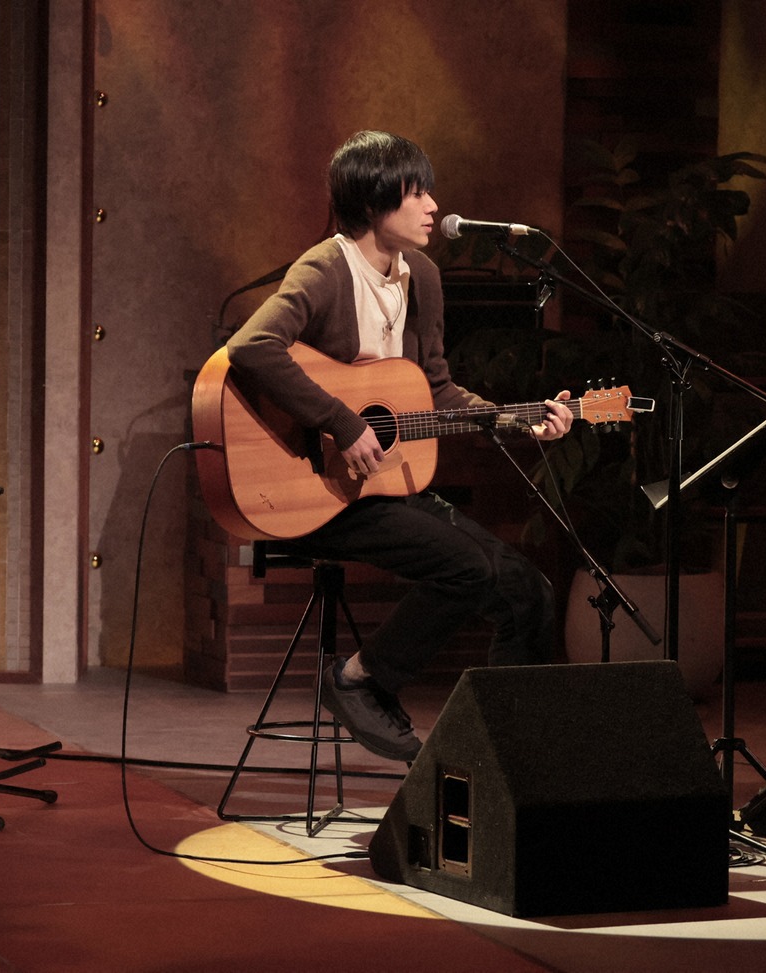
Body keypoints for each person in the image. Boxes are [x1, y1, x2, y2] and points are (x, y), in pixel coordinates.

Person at [225, 130, 573, 762]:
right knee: (469, 567)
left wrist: (516, 420)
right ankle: (360, 679)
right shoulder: (327, 269)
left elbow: (434, 391)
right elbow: (252, 347)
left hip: (383, 489)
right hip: (317, 492)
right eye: (416, 192)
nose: (432, 206)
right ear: (373, 201)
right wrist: (341, 421)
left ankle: (506, 762)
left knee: (529, 590)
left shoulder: (426, 279)